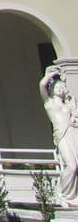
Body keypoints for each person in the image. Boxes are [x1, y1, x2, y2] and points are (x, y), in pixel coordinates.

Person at [40, 66, 78, 205]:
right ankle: (62, 192)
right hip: (62, 135)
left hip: (73, 133)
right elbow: (42, 85)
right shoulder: (49, 104)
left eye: (62, 87)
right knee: (72, 166)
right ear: (52, 90)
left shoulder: (68, 105)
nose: (61, 89)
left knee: (77, 166)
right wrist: (50, 75)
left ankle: (72, 196)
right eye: (58, 87)